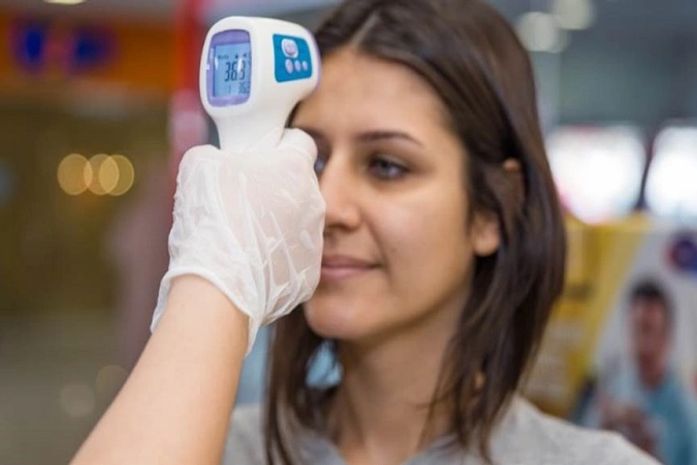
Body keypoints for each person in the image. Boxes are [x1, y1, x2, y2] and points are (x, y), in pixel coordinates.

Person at [70, 1, 660, 464]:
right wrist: (213, 281)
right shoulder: (212, 447)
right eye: (313, 159)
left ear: (492, 210)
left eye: (387, 166)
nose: (325, 205)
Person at [581, 280, 697, 465]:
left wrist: (650, 453)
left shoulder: (687, 412)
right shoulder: (610, 389)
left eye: (648, 329)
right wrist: (604, 432)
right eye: (635, 328)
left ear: (667, 335)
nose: (640, 341)